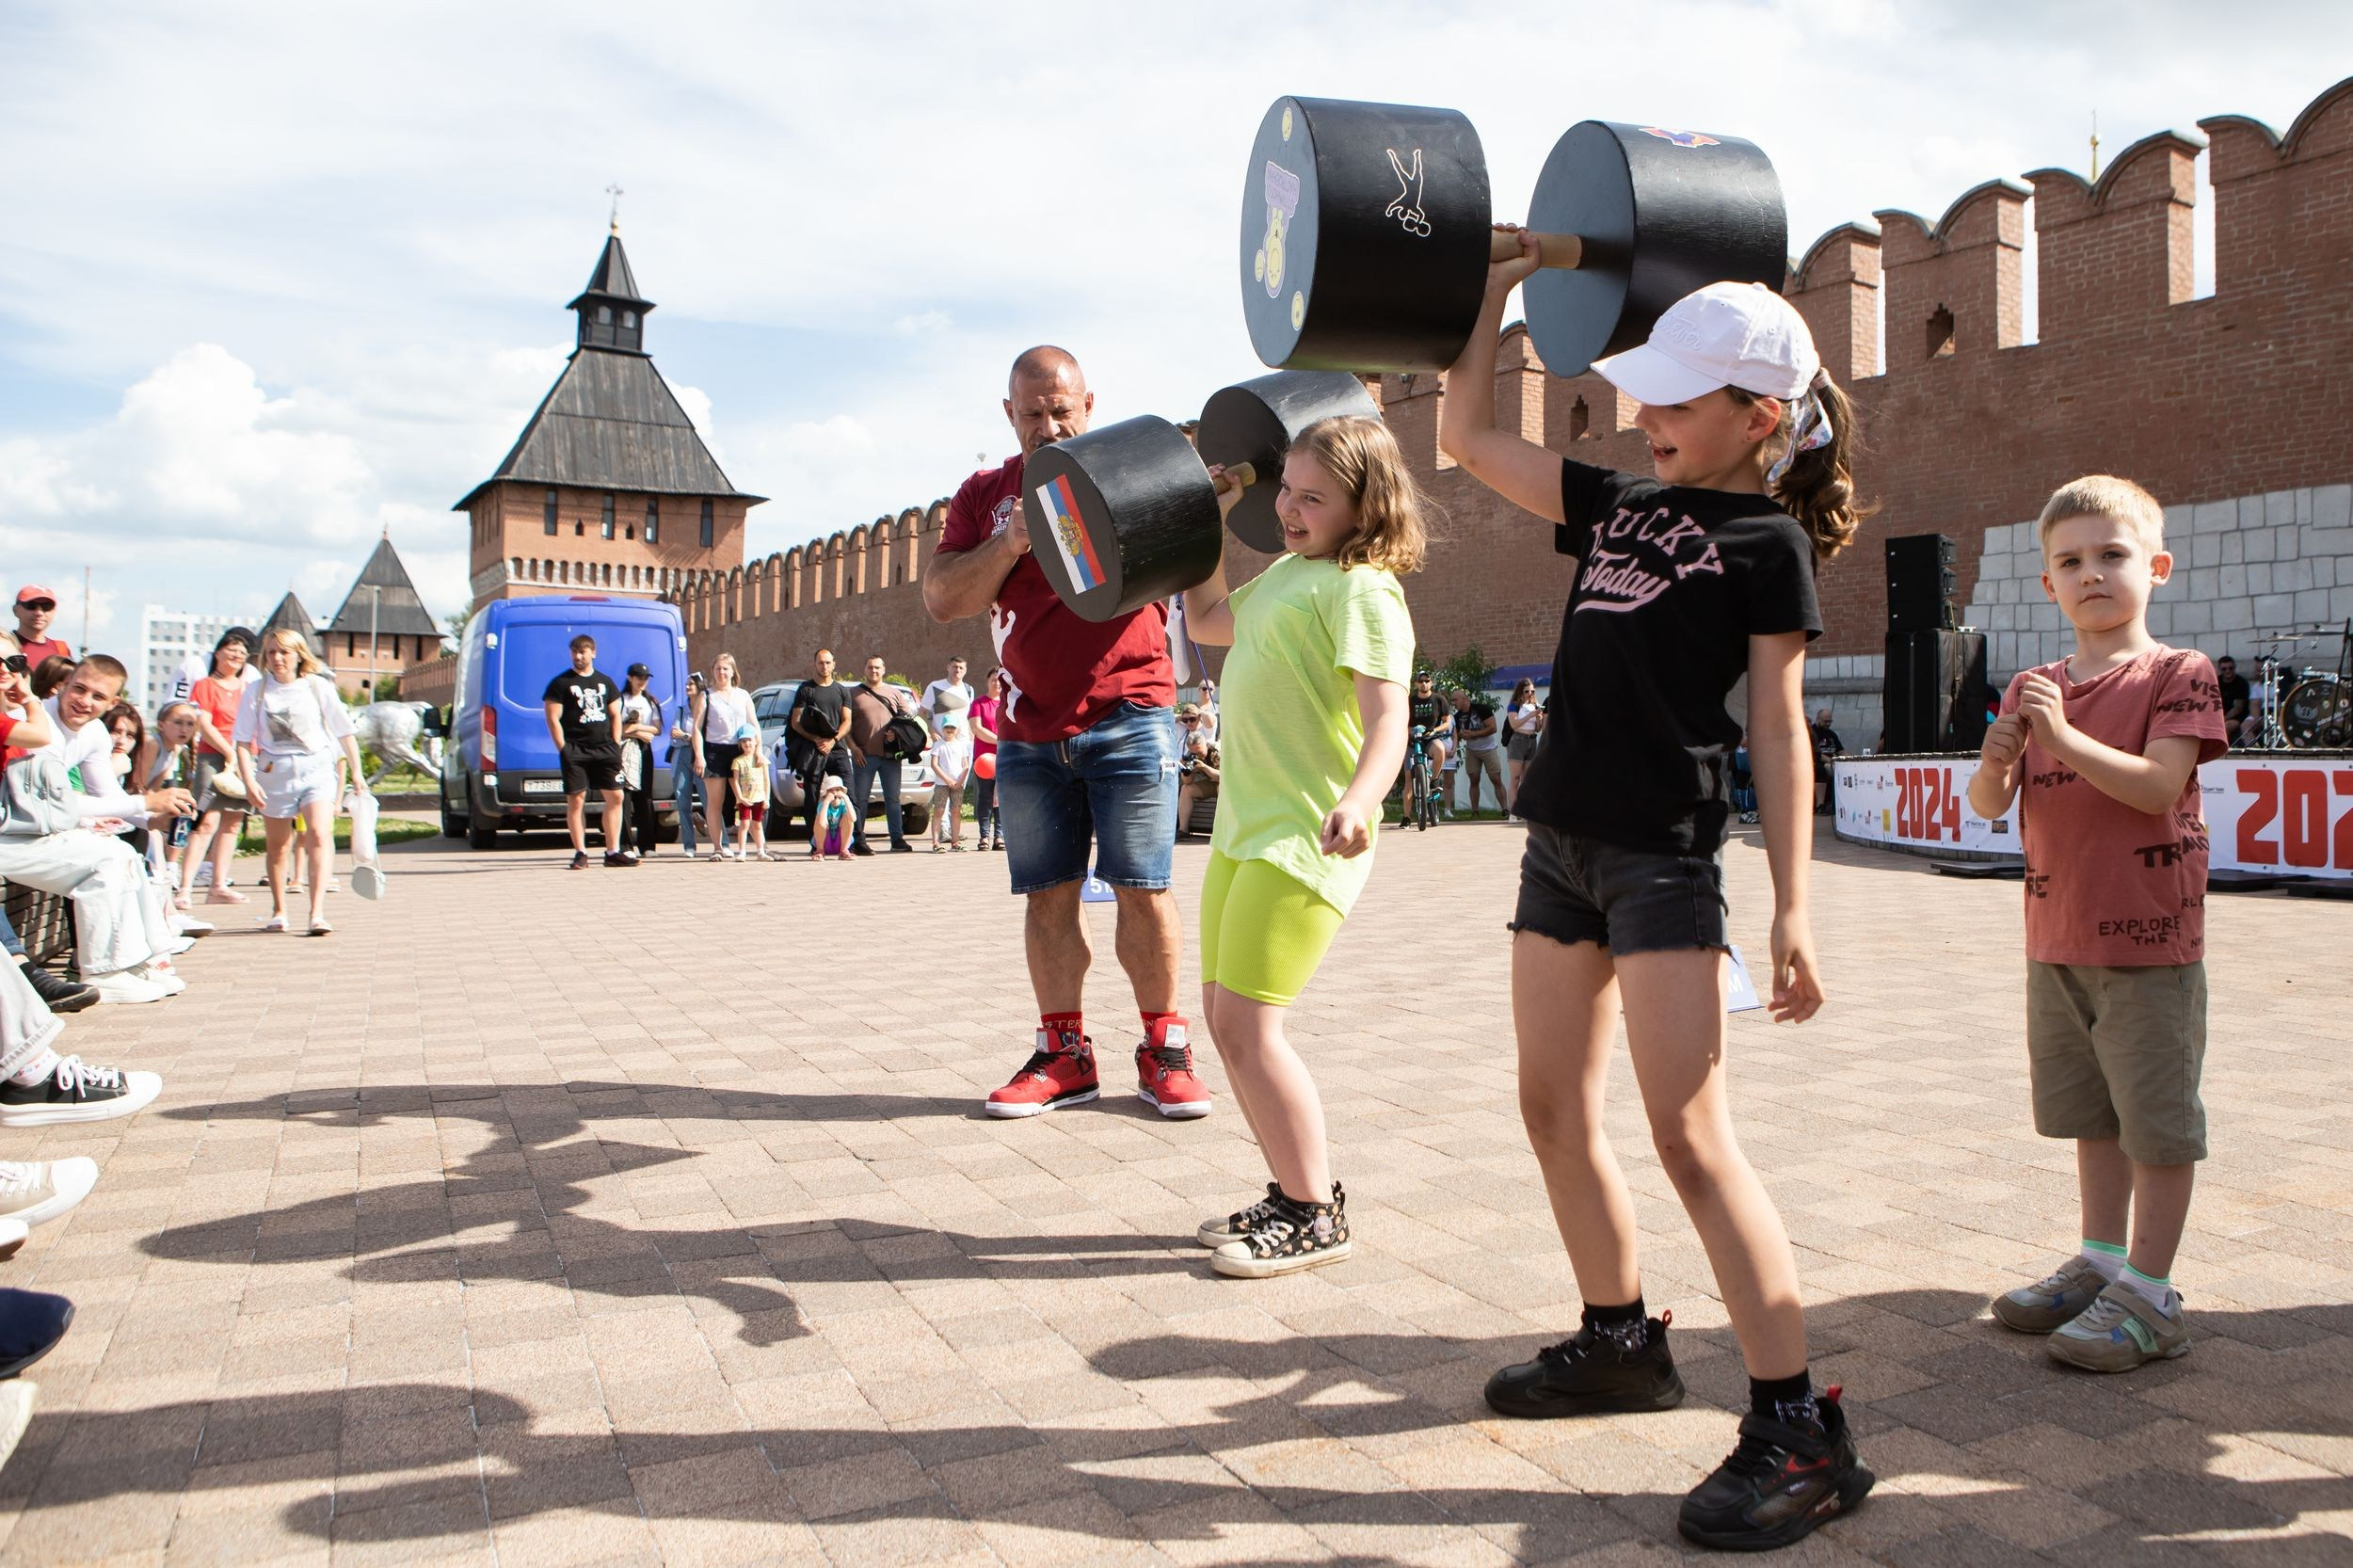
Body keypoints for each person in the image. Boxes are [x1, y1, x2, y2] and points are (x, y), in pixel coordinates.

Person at [1442, 263, 1873, 1550]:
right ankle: (1620, 1338)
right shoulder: (1619, 502)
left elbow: (1783, 735)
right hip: (1556, 851)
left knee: (1690, 1137)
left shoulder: (1769, 545)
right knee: (1549, 1106)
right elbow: (1464, 437)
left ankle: (1802, 1428)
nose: (1647, 419)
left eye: (1678, 402)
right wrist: (1490, 294)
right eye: (1648, 397)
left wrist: (1796, 905)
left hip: (1665, 865)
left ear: (1760, 415)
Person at [1966, 475, 2227, 1374]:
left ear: (2154, 567)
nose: (2091, 575)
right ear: (2047, 583)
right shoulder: (2034, 686)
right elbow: (1988, 801)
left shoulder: (2178, 673)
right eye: (2069, 562)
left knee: (2156, 1120)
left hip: (2150, 943)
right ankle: (2101, 1261)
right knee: (2094, 1115)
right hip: (2058, 936)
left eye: (2112, 556)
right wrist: (2000, 755)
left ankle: (2152, 1296)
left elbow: (2158, 786)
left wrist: (2061, 736)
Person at [923, 345, 1209, 1120]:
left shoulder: (1129, 469)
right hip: (1025, 729)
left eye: (1062, 411)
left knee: (1142, 889)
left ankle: (1165, 1050)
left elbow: (1198, 559)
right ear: (1008, 415)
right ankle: (1064, 1055)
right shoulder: (985, 496)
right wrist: (1010, 541)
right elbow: (943, 596)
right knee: (1048, 895)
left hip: (1131, 712)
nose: (1048, 427)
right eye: (1032, 414)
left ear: (1089, 406)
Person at [1181, 416, 1418, 1275]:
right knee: (1223, 1021)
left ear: (1366, 504)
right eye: (1286, 488)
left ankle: (1316, 1212)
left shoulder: (1363, 589)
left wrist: (1362, 798)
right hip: (1244, 833)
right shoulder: (1288, 572)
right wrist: (1208, 519)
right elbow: (1207, 618)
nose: (1288, 507)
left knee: (1249, 1026)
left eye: (1313, 497)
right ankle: (1291, 1191)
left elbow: (1389, 719)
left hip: (1307, 837)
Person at [234, 630, 365, 936]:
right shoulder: (256, 690)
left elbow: (344, 731)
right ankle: (279, 910)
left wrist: (356, 772)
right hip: (274, 770)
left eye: (284, 652)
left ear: (298, 655)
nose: (277, 659)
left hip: (316, 768)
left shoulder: (317, 686)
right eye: (271, 653)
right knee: (278, 846)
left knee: (320, 834)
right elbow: (241, 741)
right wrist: (249, 781)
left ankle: (316, 912)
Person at [176, 628, 255, 906]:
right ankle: (185, 887)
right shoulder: (206, 685)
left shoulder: (248, 689)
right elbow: (204, 723)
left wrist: (242, 757)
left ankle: (218, 885)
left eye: (242, 653)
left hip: (243, 759)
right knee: (206, 821)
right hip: (214, 758)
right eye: (231, 650)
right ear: (218, 652)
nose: (236, 656)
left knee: (233, 822)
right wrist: (228, 752)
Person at [542, 633, 632, 871]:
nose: (578, 656)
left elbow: (615, 715)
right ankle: (580, 852)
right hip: (576, 750)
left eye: (583, 651)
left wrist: (615, 744)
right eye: (575, 652)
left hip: (605, 750)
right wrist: (564, 748)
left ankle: (612, 851)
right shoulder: (561, 683)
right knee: (576, 799)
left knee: (616, 797)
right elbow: (553, 719)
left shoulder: (605, 682)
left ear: (593, 653)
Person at [843, 656, 915, 856]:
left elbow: (906, 720)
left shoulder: (894, 693)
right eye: (870, 667)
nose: (874, 671)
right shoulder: (853, 694)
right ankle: (858, 839)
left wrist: (896, 732)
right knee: (860, 799)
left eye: (877, 668)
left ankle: (897, 839)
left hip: (891, 756)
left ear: (884, 670)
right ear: (864, 669)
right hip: (863, 756)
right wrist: (854, 748)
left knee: (893, 799)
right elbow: (845, 725)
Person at [785, 649, 853, 848]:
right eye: (821, 663)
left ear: (834, 664)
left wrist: (833, 740)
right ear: (815, 664)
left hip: (837, 749)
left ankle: (852, 843)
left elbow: (847, 721)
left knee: (849, 793)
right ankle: (816, 844)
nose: (824, 666)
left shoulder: (842, 690)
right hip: (813, 751)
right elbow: (796, 722)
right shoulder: (806, 690)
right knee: (812, 797)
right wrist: (816, 739)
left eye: (828, 663)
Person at [692, 653, 756, 859]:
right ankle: (718, 847)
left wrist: (757, 751)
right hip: (714, 750)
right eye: (718, 669)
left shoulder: (743, 695)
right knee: (715, 801)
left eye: (725, 669)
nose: (721, 673)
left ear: (733, 672)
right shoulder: (707, 696)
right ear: (713, 672)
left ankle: (751, 846)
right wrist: (699, 756)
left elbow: (753, 724)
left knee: (745, 799)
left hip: (739, 750)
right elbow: (697, 728)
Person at [615, 663, 664, 858]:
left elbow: (657, 729)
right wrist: (637, 731)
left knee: (645, 798)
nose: (642, 682)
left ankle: (647, 845)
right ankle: (625, 845)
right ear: (630, 678)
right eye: (638, 678)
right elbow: (617, 728)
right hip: (624, 750)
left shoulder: (650, 701)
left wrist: (638, 730)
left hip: (644, 751)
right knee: (624, 798)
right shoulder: (620, 700)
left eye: (645, 678)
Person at [1401, 670, 1450, 818]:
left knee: (1440, 749)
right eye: (1421, 681)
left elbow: (1447, 722)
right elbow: (1402, 721)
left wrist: (1435, 730)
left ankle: (1434, 781)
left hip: (1430, 738)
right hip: (1412, 740)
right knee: (1409, 777)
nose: (1424, 683)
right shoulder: (1410, 701)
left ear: (1431, 683)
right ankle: (1407, 817)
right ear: (1416, 684)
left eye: (1427, 681)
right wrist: (1411, 731)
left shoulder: (1439, 700)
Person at [969, 667, 1006, 851]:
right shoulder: (979, 703)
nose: (997, 683)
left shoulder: (1007, 704)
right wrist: (1000, 741)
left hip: (1005, 758)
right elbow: (977, 728)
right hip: (984, 760)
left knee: (1001, 798)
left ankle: (999, 837)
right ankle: (984, 836)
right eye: (993, 679)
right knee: (985, 797)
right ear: (987, 681)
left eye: (1000, 680)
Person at [671, 672, 707, 858]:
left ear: (700, 686)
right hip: (682, 758)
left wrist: (686, 736)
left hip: (701, 756)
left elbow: (705, 736)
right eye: (686, 684)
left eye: (691, 684)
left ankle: (723, 842)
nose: (687, 687)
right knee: (682, 800)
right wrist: (691, 738)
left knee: (709, 801)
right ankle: (689, 846)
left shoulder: (706, 708)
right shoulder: (681, 709)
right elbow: (673, 738)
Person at [925, 711, 971, 852]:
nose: (950, 730)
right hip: (941, 784)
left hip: (958, 784)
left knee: (956, 811)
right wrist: (947, 779)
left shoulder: (961, 745)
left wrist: (960, 780)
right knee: (939, 810)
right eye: (947, 727)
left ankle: (955, 842)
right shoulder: (938, 745)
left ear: (957, 729)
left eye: (952, 727)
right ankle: (936, 842)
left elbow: (965, 765)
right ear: (943, 729)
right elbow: (934, 764)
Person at [727, 724, 773, 860]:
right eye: (743, 741)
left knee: (757, 824)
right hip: (745, 798)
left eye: (749, 740)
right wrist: (739, 798)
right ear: (740, 743)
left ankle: (760, 851)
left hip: (759, 797)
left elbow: (766, 780)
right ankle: (742, 851)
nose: (747, 743)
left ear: (756, 741)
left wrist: (767, 798)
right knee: (744, 824)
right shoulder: (738, 761)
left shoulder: (762, 759)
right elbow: (734, 780)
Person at [1174, 705, 1221, 837]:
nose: (1197, 755)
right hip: (1209, 784)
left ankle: (1220, 830)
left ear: (1205, 744)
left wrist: (1204, 767)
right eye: (1194, 752)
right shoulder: (1191, 753)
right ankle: (1183, 830)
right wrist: (1186, 771)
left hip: (1225, 784)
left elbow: (1224, 778)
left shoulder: (1216, 750)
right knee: (1186, 789)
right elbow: (1187, 782)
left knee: (1221, 787)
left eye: (1199, 752)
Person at [1455, 687, 1504, 813]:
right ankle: (1475, 811)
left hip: (1488, 749)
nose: (1453, 703)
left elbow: (1493, 728)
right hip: (1472, 750)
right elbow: (1456, 736)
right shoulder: (1457, 717)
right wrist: (1461, 735)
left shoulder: (1482, 709)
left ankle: (1505, 809)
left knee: (1496, 778)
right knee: (1474, 779)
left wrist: (1473, 734)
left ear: (1464, 699)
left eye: (1455, 700)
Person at [1503, 677, 1544, 817]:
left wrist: (1538, 720)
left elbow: (1537, 729)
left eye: (1532, 691)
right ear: (1521, 692)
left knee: (1527, 780)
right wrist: (1530, 715)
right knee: (1515, 779)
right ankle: (1513, 812)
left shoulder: (1535, 705)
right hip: (1518, 741)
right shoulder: (1514, 705)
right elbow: (1514, 724)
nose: (1530, 694)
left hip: (1531, 740)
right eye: (1527, 691)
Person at [10, 589, 68, 672]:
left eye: (47, 607)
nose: (39, 613)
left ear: (54, 611)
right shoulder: (5, 645)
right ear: (15, 610)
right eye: (31, 606)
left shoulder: (62, 649)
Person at [1809, 709, 1844, 814]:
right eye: (1825, 721)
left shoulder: (1832, 734)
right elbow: (1817, 754)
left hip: (1832, 761)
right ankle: (1820, 805)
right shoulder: (1813, 732)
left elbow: (1840, 751)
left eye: (1830, 721)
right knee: (1824, 769)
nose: (1828, 724)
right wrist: (1832, 761)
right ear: (1818, 719)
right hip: (1819, 762)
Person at [812, 776, 853, 861]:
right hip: (825, 842)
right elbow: (821, 823)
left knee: (848, 817)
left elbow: (853, 818)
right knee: (819, 817)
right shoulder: (823, 804)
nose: (834, 793)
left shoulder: (843, 804)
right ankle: (819, 851)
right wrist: (826, 802)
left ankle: (844, 851)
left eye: (837, 790)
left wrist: (846, 798)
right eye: (831, 790)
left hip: (840, 842)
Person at [2215, 656, 2250, 734]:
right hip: (2218, 716)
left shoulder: (2241, 683)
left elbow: (2238, 708)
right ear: (2219, 669)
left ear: (2235, 667)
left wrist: (2222, 719)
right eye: (2224, 669)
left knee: (2224, 727)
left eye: (2230, 668)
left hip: (2237, 717)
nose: (2227, 671)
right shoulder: (2215, 681)